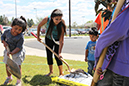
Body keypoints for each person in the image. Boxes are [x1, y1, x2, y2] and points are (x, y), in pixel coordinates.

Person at [95, 0, 129, 86]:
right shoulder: (121, 4)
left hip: (122, 67)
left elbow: (118, 32)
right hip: (112, 64)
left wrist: (99, 47)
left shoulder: (126, 5)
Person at [37, 9, 66, 76]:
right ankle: (51, 71)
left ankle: (61, 73)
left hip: (57, 40)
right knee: (49, 55)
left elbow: (61, 40)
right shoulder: (47, 19)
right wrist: (38, 37)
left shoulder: (62, 24)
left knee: (57, 56)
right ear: (52, 17)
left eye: (60, 19)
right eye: (56, 19)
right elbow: (39, 26)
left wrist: (60, 52)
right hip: (48, 38)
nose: (58, 21)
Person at [1, 16, 27, 86]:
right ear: (11, 26)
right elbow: (2, 37)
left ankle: (18, 81)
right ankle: (9, 77)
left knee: (17, 66)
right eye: (16, 28)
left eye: (20, 29)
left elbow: (19, 47)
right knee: (7, 64)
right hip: (8, 49)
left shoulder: (21, 36)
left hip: (17, 51)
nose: (17, 31)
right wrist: (4, 42)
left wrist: (12, 53)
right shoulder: (7, 32)